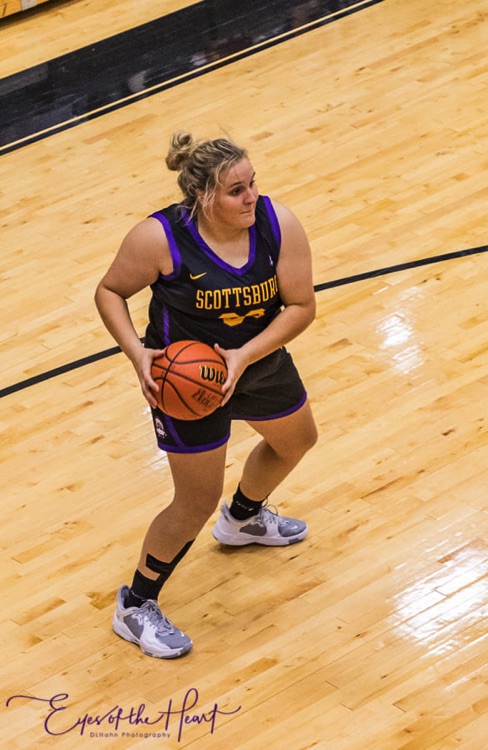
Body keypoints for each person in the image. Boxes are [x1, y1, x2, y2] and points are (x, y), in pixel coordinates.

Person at [95, 131, 318, 657]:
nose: (251, 197)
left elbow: (301, 306)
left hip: (256, 362)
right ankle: (135, 604)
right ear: (202, 196)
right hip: (184, 384)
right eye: (236, 191)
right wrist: (137, 354)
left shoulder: (278, 223)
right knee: (194, 501)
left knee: (297, 441)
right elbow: (110, 291)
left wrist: (243, 357)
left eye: (253, 183)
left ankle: (243, 518)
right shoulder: (158, 238)